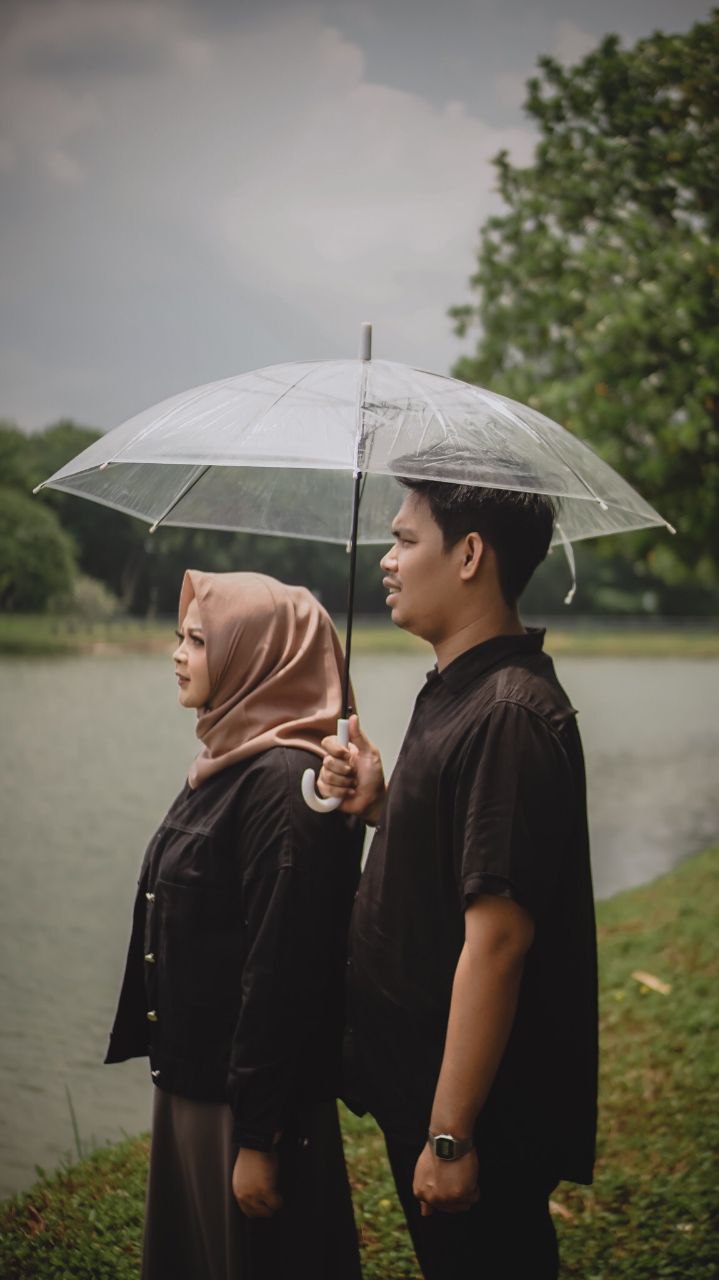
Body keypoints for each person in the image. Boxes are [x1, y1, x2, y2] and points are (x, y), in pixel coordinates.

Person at [318, 480, 598, 1280]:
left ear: (470, 554)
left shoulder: (507, 712)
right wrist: (382, 805)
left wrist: (449, 1137)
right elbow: (464, 853)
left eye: (406, 540)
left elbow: (498, 942)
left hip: (476, 1115)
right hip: (421, 1088)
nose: (387, 560)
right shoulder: (459, 688)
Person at [105, 570, 364, 1280]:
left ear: (258, 655)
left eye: (198, 640)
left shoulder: (283, 783)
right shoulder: (229, 761)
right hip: (196, 1086)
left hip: (241, 1109)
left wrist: (257, 1138)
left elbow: (281, 971)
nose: (177, 653)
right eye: (181, 637)